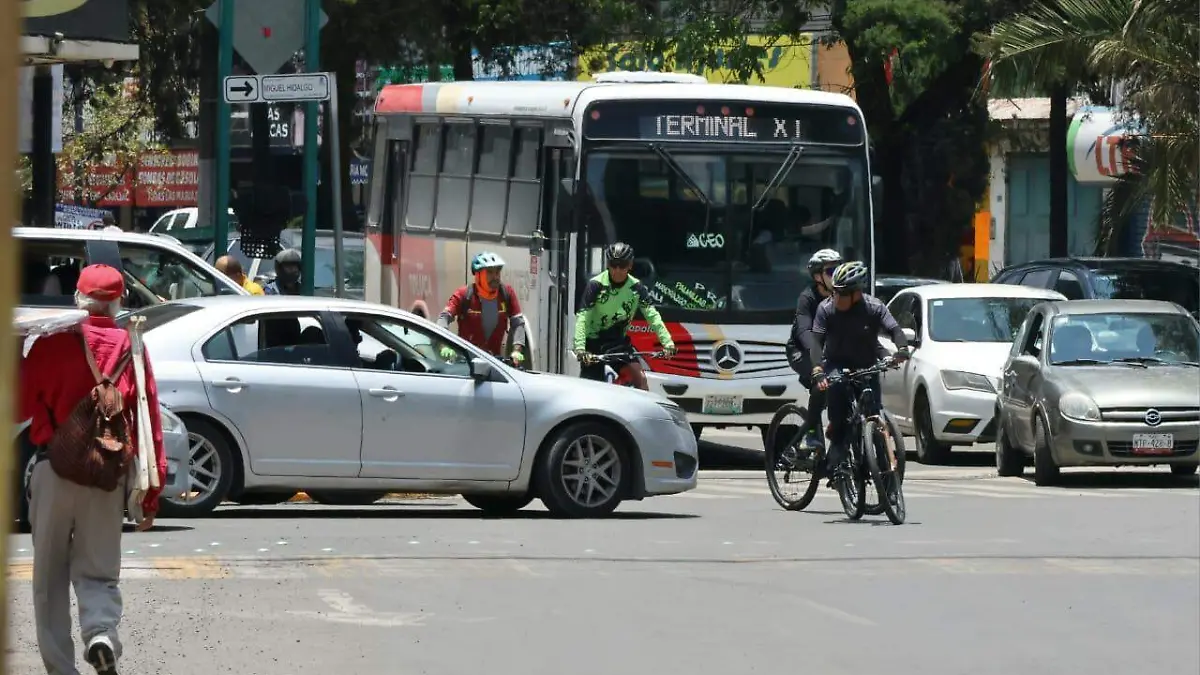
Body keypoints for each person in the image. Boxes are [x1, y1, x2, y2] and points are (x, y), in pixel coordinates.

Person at [19, 264, 167, 675]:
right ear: (119, 302)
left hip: (53, 468)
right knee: (99, 571)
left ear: (77, 299)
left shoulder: (49, 343)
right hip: (106, 476)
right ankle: (101, 634)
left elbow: (17, 407)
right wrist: (150, 495)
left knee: (48, 578)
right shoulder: (132, 346)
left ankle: (61, 668)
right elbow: (149, 420)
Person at [807, 260, 909, 482]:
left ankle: (888, 482)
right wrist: (817, 369)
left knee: (875, 414)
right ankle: (836, 443)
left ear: (857, 294)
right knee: (838, 395)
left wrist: (902, 349)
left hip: (866, 365)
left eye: (843, 294)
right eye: (835, 291)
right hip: (836, 364)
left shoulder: (874, 307)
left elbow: (894, 329)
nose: (837, 297)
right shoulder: (826, 309)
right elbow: (816, 341)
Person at [573, 242, 677, 390]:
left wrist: (668, 343)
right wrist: (580, 349)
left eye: (622, 266)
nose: (617, 270)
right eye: (613, 265)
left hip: (617, 342)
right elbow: (583, 317)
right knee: (591, 388)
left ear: (630, 265)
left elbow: (653, 316)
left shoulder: (636, 287)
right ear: (608, 264)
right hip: (593, 343)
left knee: (640, 379)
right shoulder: (595, 285)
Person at [784, 248, 843, 450]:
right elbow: (804, 331)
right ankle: (810, 434)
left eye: (839, 269)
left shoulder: (842, 296)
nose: (836, 275)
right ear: (818, 276)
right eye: (831, 271)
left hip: (829, 352)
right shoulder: (807, 298)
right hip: (801, 351)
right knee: (822, 383)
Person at [437, 252, 528, 365]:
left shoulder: (506, 293)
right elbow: (444, 317)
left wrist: (517, 351)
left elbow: (518, 322)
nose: (495, 277)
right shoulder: (464, 294)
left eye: (497, 272)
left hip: (495, 362)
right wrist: (444, 346)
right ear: (478, 275)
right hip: (466, 361)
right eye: (490, 272)